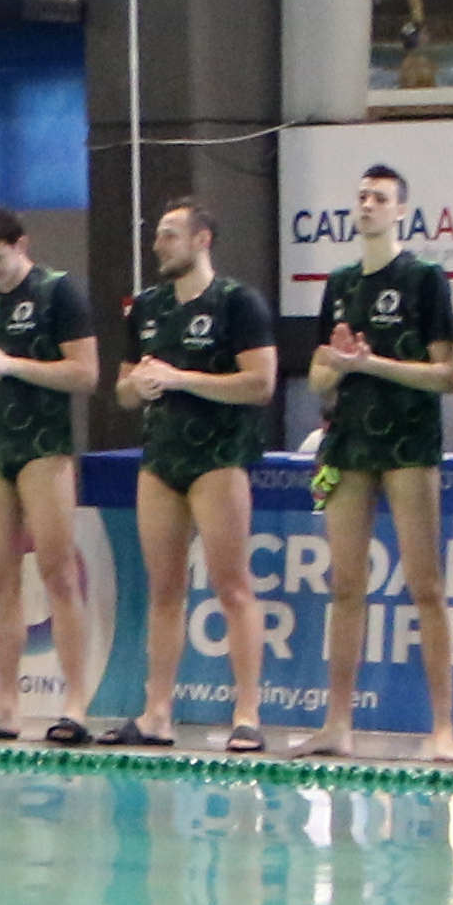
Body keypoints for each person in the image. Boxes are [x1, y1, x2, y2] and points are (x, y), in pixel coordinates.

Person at [299, 164, 453, 761]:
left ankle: (443, 726)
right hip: (348, 445)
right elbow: (318, 376)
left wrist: (372, 365)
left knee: (426, 586)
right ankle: (337, 723)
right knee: (344, 584)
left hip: (409, 446)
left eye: (380, 198)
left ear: (401, 212)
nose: (366, 204)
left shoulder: (424, 279)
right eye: (361, 196)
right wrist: (339, 364)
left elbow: (446, 375)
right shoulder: (339, 283)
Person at [114, 200, 277, 753]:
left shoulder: (238, 303)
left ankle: (248, 713)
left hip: (218, 458)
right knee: (164, 590)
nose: (157, 245)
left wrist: (182, 379)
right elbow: (121, 389)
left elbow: (260, 384)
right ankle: (157, 711)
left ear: (202, 239)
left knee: (231, 585)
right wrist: (141, 385)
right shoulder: (147, 308)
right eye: (158, 235)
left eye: (169, 235)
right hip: (161, 459)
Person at [0, 204, 97, 745]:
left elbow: (85, 374)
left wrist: (12, 365)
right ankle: (5, 704)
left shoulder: (58, 292)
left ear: (22, 244)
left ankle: (76, 703)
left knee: (59, 574)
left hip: (44, 448)